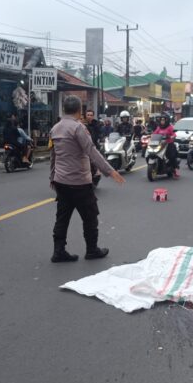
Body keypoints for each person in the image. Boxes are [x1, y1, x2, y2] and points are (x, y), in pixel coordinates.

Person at [49, 95, 125, 263]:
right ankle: (92, 249)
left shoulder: (55, 129)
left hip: (61, 181)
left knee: (62, 217)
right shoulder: (78, 128)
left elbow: (53, 156)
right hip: (80, 182)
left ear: (64, 109)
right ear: (79, 110)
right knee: (90, 217)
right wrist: (110, 171)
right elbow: (91, 151)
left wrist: (52, 177)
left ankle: (58, 251)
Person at [154, 113, 179, 178]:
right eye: (161, 120)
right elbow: (154, 133)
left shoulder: (170, 127)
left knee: (172, 156)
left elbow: (173, 134)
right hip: (160, 144)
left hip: (168, 144)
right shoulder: (159, 127)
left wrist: (172, 136)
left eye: (163, 120)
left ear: (167, 120)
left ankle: (175, 170)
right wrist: (149, 136)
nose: (162, 121)